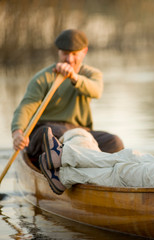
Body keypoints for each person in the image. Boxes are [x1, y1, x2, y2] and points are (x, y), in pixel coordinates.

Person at [11, 29, 124, 165]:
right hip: (47, 131)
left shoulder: (92, 74)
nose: (69, 59)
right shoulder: (43, 78)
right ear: (58, 52)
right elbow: (25, 107)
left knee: (114, 142)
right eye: (65, 54)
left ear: (84, 52)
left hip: (81, 133)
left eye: (74, 54)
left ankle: (85, 166)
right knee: (51, 134)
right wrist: (17, 132)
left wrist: (74, 77)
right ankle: (57, 167)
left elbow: (96, 91)